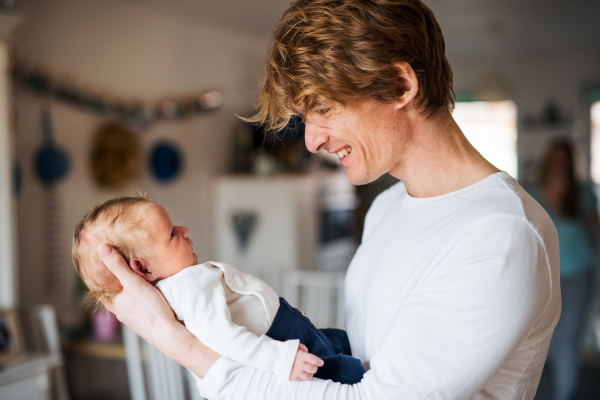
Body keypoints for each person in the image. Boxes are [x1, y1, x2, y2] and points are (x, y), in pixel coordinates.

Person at [98, 1, 561, 399]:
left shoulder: (501, 235)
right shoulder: (387, 208)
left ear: (400, 85)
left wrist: (172, 339)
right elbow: (359, 364)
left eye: (322, 109)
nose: (311, 141)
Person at [72, 196, 369, 385]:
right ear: (143, 268)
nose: (185, 230)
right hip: (278, 338)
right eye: (172, 234)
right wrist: (282, 358)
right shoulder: (188, 286)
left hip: (284, 329)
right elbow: (224, 339)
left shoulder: (176, 289)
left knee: (340, 342)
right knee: (338, 370)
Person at [528, 140, 599, 400]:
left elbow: (597, 232)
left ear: (569, 163)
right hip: (546, 277)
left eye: (563, 158)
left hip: (579, 273)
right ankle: (565, 387)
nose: (558, 163)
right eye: (554, 157)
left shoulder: (581, 193)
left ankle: (564, 394)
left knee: (567, 339)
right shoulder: (533, 193)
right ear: (547, 161)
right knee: (555, 342)